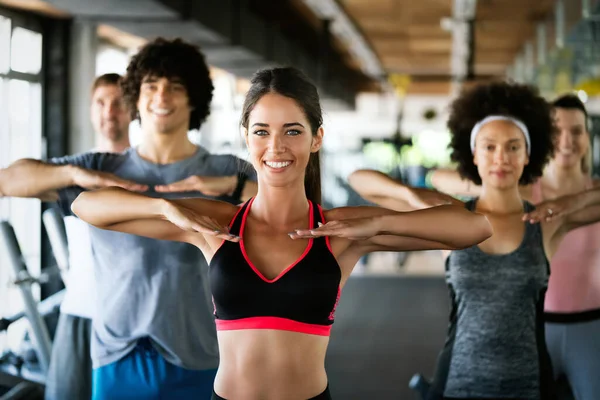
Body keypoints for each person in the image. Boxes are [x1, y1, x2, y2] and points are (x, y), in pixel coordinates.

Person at [70, 66, 492, 400]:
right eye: (261, 131)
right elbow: (85, 206)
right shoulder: (213, 224)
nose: (276, 147)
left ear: (316, 139)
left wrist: (379, 221)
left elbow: (474, 227)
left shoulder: (341, 230)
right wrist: (166, 208)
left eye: (292, 130)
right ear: (246, 138)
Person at [0, 37, 258, 399]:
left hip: (200, 352)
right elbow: (7, 181)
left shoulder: (227, 170)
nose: (162, 96)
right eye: (151, 86)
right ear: (136, 96)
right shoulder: (101, 169)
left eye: (176, 86)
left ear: (193, 99)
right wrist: (74, 175)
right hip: (116, 353)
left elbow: (294, 213)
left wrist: (233, 184)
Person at [348, 82, 600, 399]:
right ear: (474, 156)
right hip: (457, 383)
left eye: (512, 147)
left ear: (527, 156)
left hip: (531, 384)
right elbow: (359, 179)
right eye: (489, 147)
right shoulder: (450, 216)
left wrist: (570, 203)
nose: (501, 158)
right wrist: (413, 195)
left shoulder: (545, 222)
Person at [44, 73, 131, 400]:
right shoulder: (74, 170)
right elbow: (10, 181)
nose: (110, 111)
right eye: (101, 103)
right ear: (91, 110)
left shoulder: (149, 174)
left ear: (133, 109)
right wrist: (73, 174)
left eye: (119, 103)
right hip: (81, 312)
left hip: (129, 321)